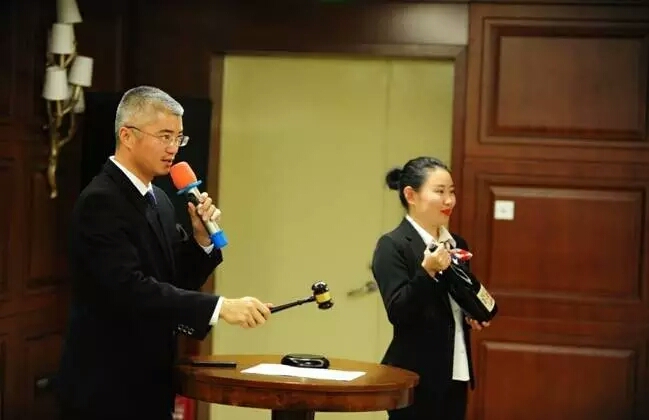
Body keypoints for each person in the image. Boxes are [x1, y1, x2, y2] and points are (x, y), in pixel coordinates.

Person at [55, 86, 273, 420]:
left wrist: (201, 240)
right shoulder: (101, 201)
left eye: (178, 138)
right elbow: (129, 290)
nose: (173, 148)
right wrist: (220, 307)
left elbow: (175, 279)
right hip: (107, 385)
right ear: (127, 136)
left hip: (151, 379)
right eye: (164, 136)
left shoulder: (159, 200)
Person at [371, 156, 491, 420]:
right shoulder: (392, 245)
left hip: (456, 370)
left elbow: (451, 300)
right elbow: (399, 311)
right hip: (415, 376)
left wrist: (470, 312)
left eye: (452, 192)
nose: (449, 201)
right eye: (440, 192)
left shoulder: (456, 243)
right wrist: (427, 271)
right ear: (411, 195)